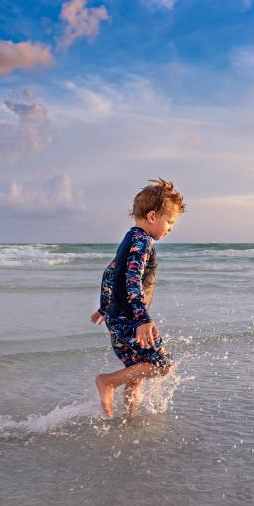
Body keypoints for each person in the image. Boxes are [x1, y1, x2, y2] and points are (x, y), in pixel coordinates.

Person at [90, 178, 186, 418]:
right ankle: (108, 382)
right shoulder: (142, 242)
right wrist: (142, 319)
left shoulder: (129, 239)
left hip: (117, 316)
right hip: (131, 318)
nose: (170, 228)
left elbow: (111, 272)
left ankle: (128, 418)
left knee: (136, 369)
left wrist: (105, 307)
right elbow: (132, 279)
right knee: (162, 365)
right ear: (153, 216)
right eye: (170, 221)